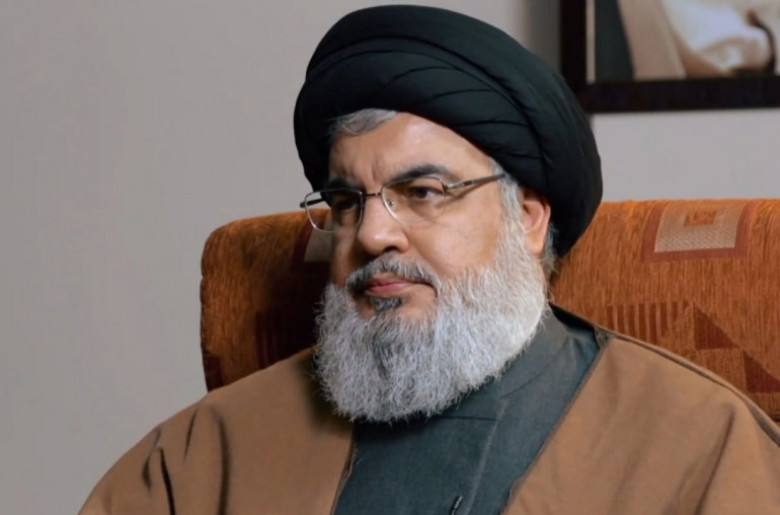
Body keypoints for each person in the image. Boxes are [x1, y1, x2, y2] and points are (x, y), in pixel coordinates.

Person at [80, 6, 780, 514]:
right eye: (347, 200)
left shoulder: (701, 444)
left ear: (528, 218)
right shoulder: (208, 453)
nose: (371, 234)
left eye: (423, 192)